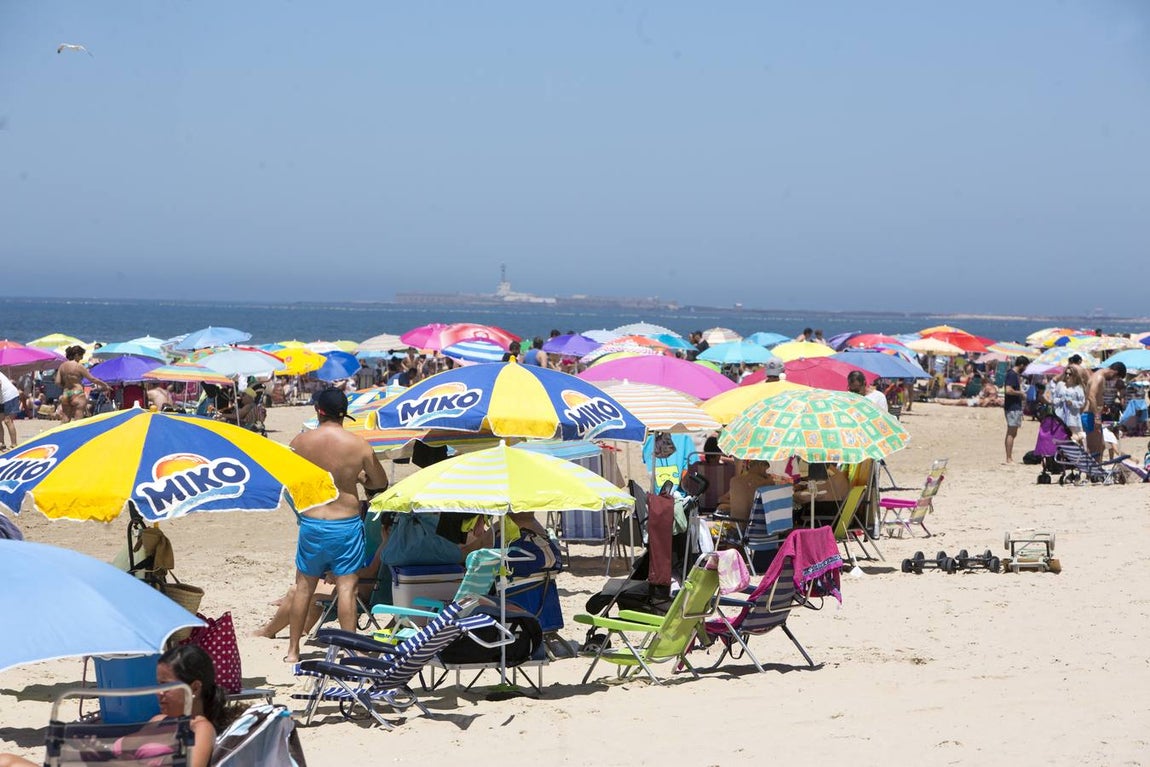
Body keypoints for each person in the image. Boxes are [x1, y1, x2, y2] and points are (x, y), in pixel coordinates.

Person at [285, 387, 389, 664]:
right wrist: (361, 479)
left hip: (312, 522)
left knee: (303, 586)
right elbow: (380, 483)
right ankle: (351, 649)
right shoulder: (359, 445)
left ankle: (293, 651)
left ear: (319, 410)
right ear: (345, 414)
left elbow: (290, 481)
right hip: (345, 524)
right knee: (347, 587)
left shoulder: (300, 442)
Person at [0, 645, 225, 767]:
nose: (158, 693)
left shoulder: (200, 730)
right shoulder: (158, 721)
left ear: (194, 688)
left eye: (165, 686)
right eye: (157, 685)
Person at [715, 459, 791, 522]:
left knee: (722, 507)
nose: (769, 471)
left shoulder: (734, 480)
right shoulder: (765, 483)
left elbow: (721, 499)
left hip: (736, 530)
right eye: (768, 468)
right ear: (760, 465)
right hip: (757, 532)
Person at [54, 345, 110, 422]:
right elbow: (92, 379)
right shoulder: (79, 366)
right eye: (81, 356)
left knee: (65, 419)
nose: (82, 358)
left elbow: (57, 382)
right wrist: (105, 385)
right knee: (78, 421)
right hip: (78, 393)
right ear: (76, 355)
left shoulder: (62, 366)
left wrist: (65, 386)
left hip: (66, 393)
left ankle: (62, 434)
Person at [1085, 361, 1128, 458]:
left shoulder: (1100, 376)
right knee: (1094, 448)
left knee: (1101, 446)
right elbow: (1091, 396)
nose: (1116, 380)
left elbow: (1096, 396)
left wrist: (1102, 406)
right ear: (1115, 373)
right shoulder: (1099, 377)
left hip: (1093, 414)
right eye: (1118, 378)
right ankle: (1093, 473)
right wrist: (1097, 417)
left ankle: (1097, 471)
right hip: (1091, 415)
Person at [1002, 356, 1029, 463]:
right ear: (1022, 365)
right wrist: (1020, 393)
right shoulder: (1012, 375)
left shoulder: (1014, 375)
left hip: (1014, 406)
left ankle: (1009, 457)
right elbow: (1008, 390)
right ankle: (1009, 458)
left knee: (1013, 433)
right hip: (1012, 407)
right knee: (1011, 433)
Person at [0, 371, 19, 451]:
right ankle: (2, 443)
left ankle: (14, 444)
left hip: (9, 395)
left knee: (8, 420)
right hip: (2, 398)